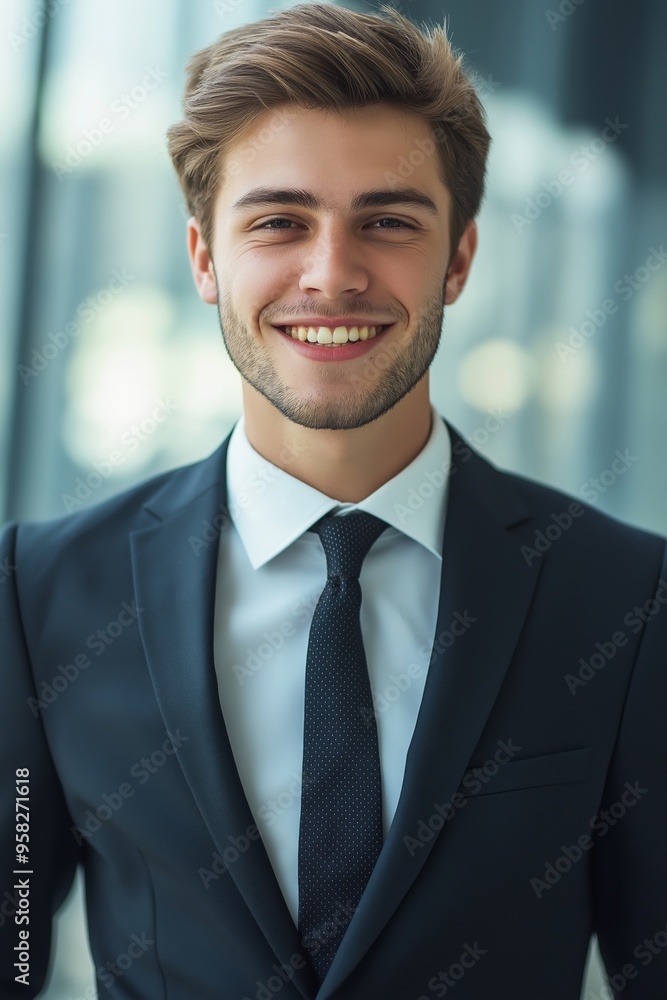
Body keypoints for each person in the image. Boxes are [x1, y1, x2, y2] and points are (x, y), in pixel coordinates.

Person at [1, 2, 666, 997]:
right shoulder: (42, 590)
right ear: (203, 259)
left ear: (459, 259)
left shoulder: (623, 594)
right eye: (278, 221)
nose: (332, 273)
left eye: (387, 222)